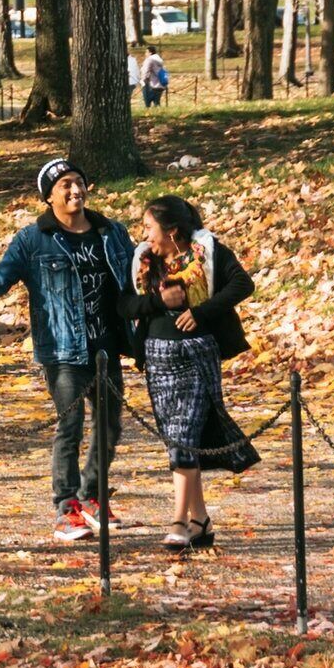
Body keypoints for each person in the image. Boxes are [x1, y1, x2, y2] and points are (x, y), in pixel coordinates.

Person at [0, 157, 134, 542]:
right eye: (65, 185)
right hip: (63, 351)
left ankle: (92, 497)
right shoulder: (34, 239)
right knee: (70, 427)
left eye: (79, 182)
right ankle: (66, 508)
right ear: (49, 196)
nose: (76, 190)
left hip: (107, 348)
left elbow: (134, 280)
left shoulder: (111, 232)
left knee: (110, 428)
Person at [130, 193, 255, 551]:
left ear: (171, 231)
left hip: (197, 353)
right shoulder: (143, 258)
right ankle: (200, 520)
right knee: (177, 438)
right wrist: (155, 302)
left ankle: (179, 522)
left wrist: (202, 313)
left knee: (185, 433)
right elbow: (126, 303)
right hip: (157, 355)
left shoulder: (208, 252)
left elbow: (242, 284)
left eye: (150, 227)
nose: (145, 234)